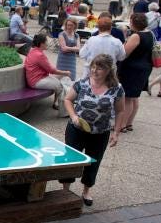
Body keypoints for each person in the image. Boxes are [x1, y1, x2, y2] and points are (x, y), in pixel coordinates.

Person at [59, 54, 125, 206]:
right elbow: (68, 100)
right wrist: (74, 116)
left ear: (109, 70)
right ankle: (65, 190)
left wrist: (116, 132)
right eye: (93, 67)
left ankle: (86, 191)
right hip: (76, 129)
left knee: (93, 162)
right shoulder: (82, 83)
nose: (95, 71)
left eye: (100, 68)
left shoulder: (117, 89)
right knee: (70, 160)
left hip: (100, 133)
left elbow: (120, 111)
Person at [118, 13, 153, 133]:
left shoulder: (136, 36)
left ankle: (122, 125)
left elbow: (124, 54)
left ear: (134, 22)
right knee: (134, 98)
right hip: (144, 67)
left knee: (127, 98)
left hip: (133, 69)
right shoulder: (150, 34)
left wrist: (123, 44)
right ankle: (129, 123)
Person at [24, 33, 72, 117]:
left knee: (59, 79)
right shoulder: (39, 55)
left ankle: (55, 103)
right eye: (46, 41)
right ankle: (64, 113)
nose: (48, 43)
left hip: (35, 78)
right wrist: (66, 73)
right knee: (60, 86)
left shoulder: (33, 51)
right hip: (36, 81)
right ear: (42, 43)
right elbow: (52, 70)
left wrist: (62, 73)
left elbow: (49, 68)